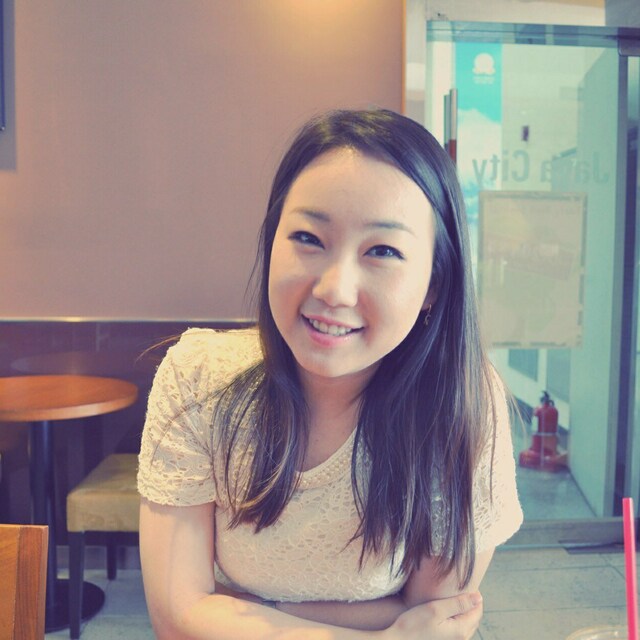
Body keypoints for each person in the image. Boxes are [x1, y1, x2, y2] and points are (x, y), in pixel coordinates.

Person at [137, 108, 523, 640]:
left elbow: (437, 617)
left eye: (382, 250)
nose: (335, 290)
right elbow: (175, 619)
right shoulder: (199, 379)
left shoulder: (461, 404)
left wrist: (240, 610)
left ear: (433, 284)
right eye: (308, 238)